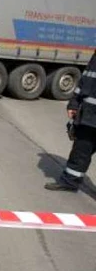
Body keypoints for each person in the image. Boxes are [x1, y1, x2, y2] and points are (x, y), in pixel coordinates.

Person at [45, 52, 96, 192]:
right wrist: (74, 103)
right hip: (89, 116)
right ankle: (69, 182)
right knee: (80, 151)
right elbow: (86, 78)